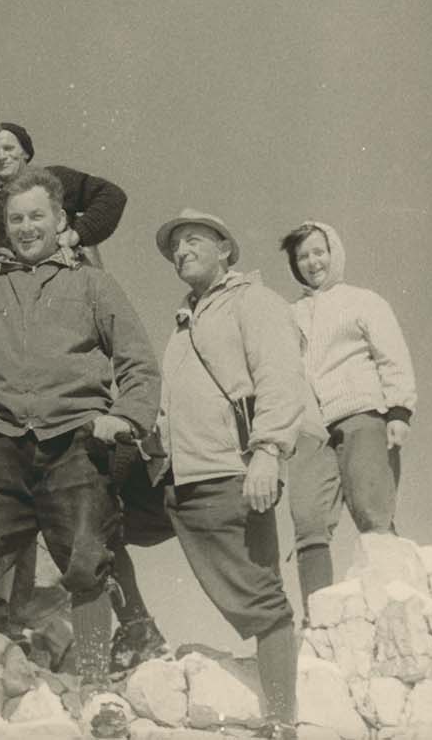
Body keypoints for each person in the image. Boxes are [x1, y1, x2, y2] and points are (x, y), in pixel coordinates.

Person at [0, 168, 160, 736]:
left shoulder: (93, 286)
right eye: (16, 219)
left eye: (37, 216)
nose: (26, 227)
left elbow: (138, 362)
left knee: (86, 557)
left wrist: (124, 418)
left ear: (59, 221)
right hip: (2, 442)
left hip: (76, 440)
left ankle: (96, 687)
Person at [153, 209, 305, 739]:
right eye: (175, 246)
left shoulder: (254, 302)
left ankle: (281, 719)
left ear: (225, 249)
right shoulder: (183, 323)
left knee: (261, 597)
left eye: (194, 240)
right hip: (180, 477)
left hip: (231, 470)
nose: (182, 251)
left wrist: (268, 451)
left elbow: (280, 376)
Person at [279, 220, 417, 619]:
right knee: (308, 520)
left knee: (373, 510)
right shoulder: (289, 315)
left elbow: (391, 354)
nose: (312, 263)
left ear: (334, 253)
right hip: (312, 427)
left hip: (362, 413)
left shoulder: (363, 301)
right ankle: (320, 618)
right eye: (302, 256)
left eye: (318, 252)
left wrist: (399, 411)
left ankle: (396, 607)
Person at [0, 122, 127, 256]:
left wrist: (77, 234)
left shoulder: (53, 178)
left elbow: (112, 195)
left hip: (67, 270)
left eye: (9, 148)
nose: (2, 156)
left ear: (25, 153)